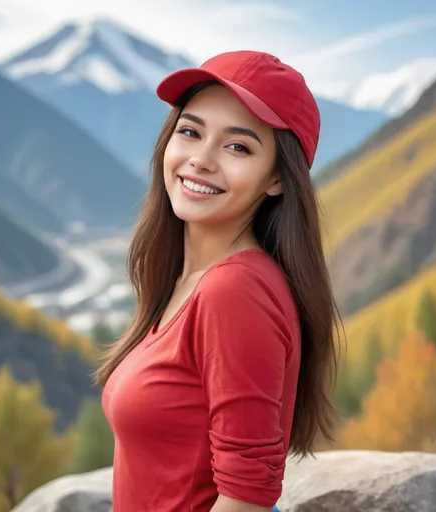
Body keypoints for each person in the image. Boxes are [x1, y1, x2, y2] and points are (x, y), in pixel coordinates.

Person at [96, 50, 342, 512]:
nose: (201, 160)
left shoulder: (234, 292)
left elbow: (246, 498)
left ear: (277, 180)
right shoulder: (187, 279)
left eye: (238, 147)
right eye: (190, 132)